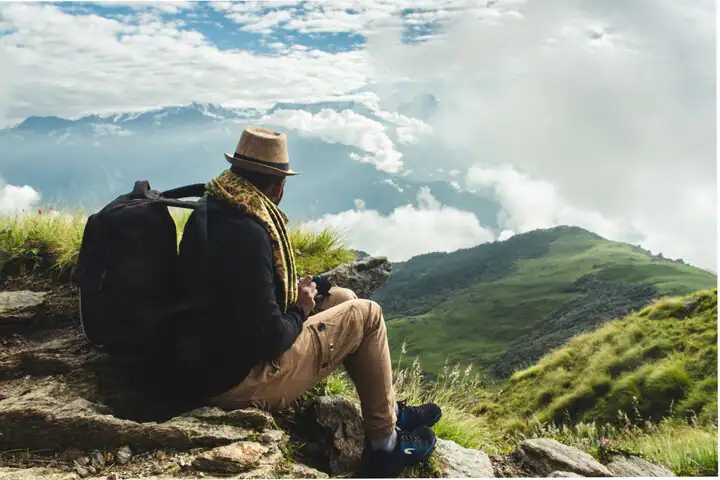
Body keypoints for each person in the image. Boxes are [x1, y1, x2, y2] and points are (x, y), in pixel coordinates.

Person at [176, 126, 441, 476]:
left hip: (207, 360)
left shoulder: (212, 208)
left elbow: (239, 298)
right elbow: (270, 338)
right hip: (237, 382)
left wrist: (307, 293)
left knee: (342, 297)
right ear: (277, 186)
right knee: (368, 314)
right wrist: (301, 308)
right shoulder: (250, 233)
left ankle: (386, 411)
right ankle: (386, 446)